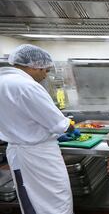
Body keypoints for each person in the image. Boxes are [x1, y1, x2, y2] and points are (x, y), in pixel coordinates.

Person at [0, 44, 80, 214]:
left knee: (29, 197)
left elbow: (21, 118)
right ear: (33, 66)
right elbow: (59, 123)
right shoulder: (27, 86)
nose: (45, 75)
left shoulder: (3, 82)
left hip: (17, 152)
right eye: (45, 70)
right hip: (39, 156)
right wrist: (70, 127)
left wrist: (42, 132)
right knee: (56, 202)